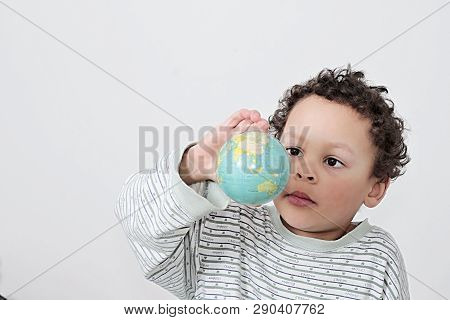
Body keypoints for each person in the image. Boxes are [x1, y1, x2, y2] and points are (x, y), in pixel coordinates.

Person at [115, 66, 411, 299]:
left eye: (332, 161)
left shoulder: (376, 258)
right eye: (293, 151)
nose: (304, 172)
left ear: (375, 187)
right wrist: (195, 165)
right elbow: (136, 218)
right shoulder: (229, 226)